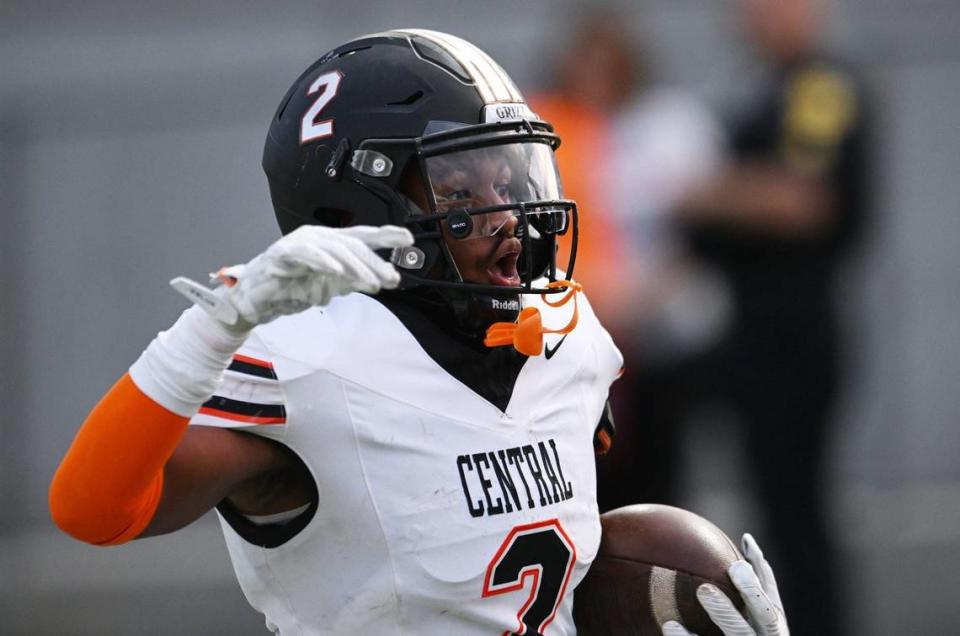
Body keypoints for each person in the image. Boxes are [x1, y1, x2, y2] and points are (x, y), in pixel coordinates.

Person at [49, 29, 790, 636]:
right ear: (359, 207)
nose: (506, 215)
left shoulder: (565, 338)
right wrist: (207, 335)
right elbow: (91, 512)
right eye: (462, 189)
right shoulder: (308, 360)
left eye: (511, 178)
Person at [676, 1, 871, 634]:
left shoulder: (818, 86)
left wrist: (704, 193)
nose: (754, 17)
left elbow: (801, 198)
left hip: (793, 335)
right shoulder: (767, 88)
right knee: (773, 509)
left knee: (795, 518)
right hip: (754, 334)